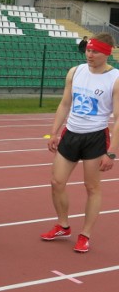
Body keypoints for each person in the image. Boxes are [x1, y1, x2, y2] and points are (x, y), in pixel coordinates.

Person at [41, 33, 119, 253]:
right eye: (88, 50)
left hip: (95, 137)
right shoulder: (75, 72)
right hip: (71, 133)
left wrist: (111, 152)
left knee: (92, 187)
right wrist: (53, 132)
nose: (90, 54)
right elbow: (65, 103)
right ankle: (63, 225)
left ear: (107, 53)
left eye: (95, 51)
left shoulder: (115, 79)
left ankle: (85, 234)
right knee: (57, 182)